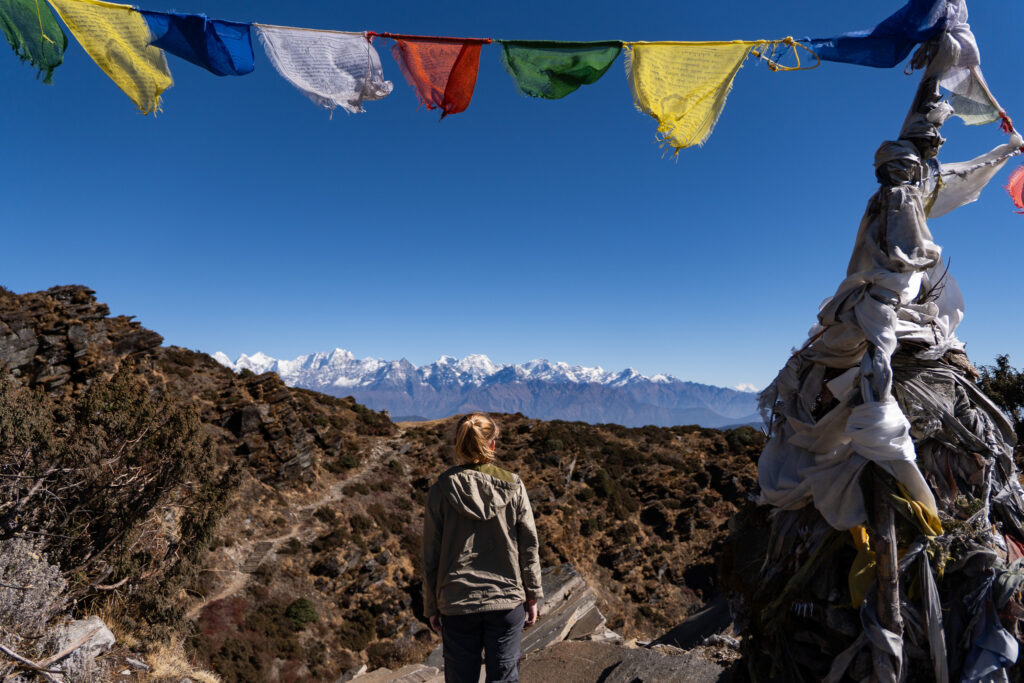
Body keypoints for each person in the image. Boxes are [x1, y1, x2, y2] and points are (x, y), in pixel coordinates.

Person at [422, 413, 543, 683]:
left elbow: (430, 555)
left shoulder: (440, 490)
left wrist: (431, 606)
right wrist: (533, 595)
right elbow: (528, 546)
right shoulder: (514, 485)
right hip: (506, 601)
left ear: (459, 444)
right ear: (492, 444)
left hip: (457, 603)